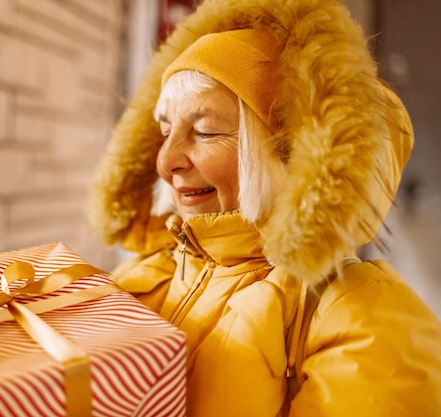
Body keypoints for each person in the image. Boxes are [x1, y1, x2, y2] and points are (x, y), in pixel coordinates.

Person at [86, 0, 441, 415]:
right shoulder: (149, 273)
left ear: (286, 155)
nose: (165, 163)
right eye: (165, 132)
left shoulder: (367, 321)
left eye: (203, 132)